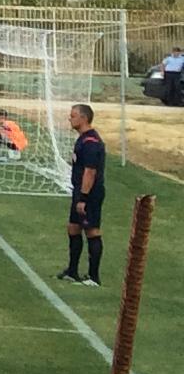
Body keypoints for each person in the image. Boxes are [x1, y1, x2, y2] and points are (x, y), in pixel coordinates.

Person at [62, 102, 107, 284]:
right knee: (73, 227)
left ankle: (93, 277)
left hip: (90, 194)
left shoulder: (91, 143)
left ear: (84, 118)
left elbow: (90, 172)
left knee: (91, 230)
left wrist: (83, 198)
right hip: (79, 192)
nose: (70, 118)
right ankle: (72, 271)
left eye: (73, 116)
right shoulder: (82, 139)